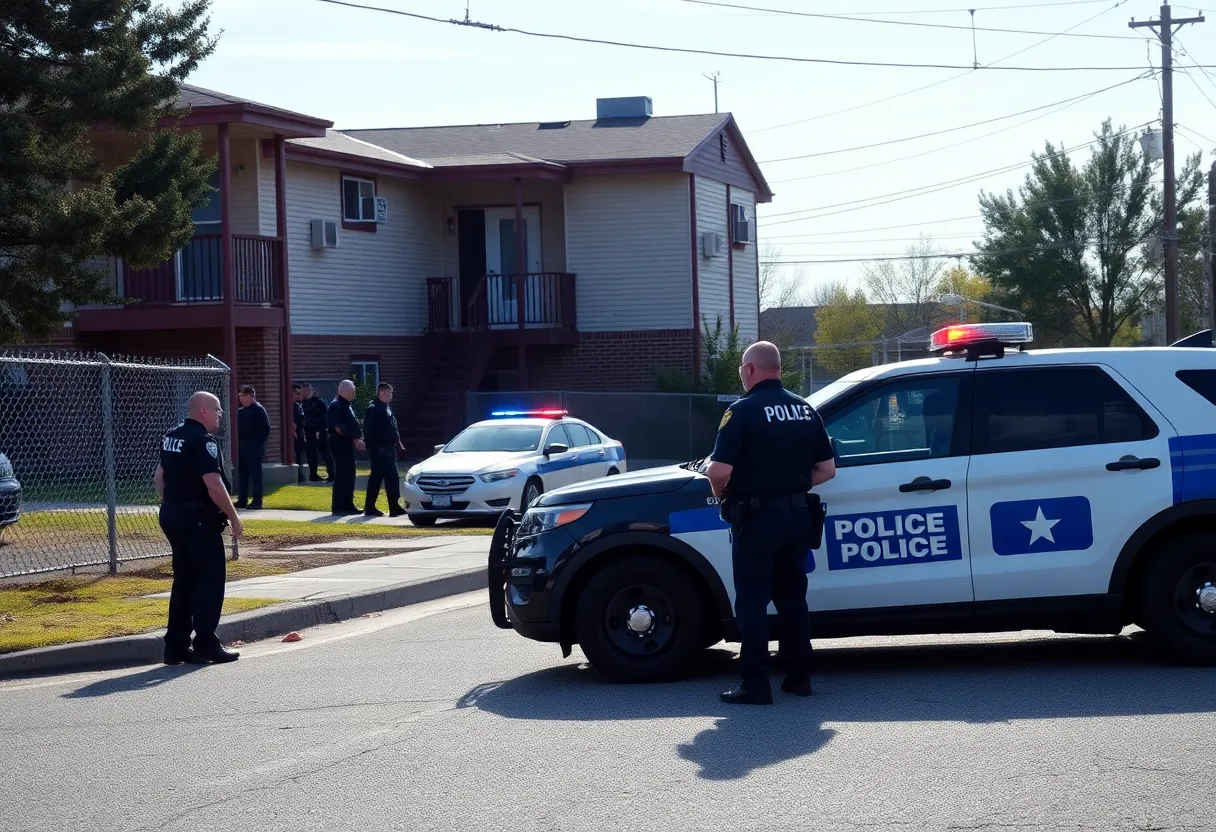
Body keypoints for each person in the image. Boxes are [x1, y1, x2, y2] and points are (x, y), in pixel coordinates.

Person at [705, 341, 837, 705]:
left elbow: (718, 470)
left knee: (752, 601)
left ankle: (755, 684)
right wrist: (790, 485)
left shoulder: (742, 411)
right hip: (798, 516)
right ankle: (798, 678)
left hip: (757, 519)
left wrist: (722, 494)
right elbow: (827, 469)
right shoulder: (805, 409)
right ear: (777, 368)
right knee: (793, 599)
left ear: (749, 369)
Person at [153, 391, 243, 666]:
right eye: (217, 410)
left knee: (184, 580)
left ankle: (176, 647)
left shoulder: (172, 436)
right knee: (209, 580)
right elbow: (213, 485)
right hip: (198, 520)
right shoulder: (203, 441)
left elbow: (159, 477)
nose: (220, 415)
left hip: (172, 514)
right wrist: (234, 517)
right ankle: (205, 644)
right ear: (203, 411)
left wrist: (173, 503)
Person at [362, 382, 406, 517]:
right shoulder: (373, 409)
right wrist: (376, 448)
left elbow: (392, 427)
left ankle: (371, 506)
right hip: (380, 450)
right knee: (391, 477)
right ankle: (393, 507)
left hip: (388, 448)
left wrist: (398, 441)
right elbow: (368, 431)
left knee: (378, 478)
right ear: (383, 393)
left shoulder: (385, 408)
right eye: (390, 393)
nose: (391, 396)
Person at [327, 379, 365, 515]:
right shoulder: (336, 405)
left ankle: (348, 505)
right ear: (343, 390)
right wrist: (355, 439)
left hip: (347, 444)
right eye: (352, 389)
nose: (354, 391)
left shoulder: (346, 404)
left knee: (349, 474)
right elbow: (338, 428)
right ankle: (339, 506)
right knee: (342, 475)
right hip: (339, 444)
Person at [235, 385, 270, 510]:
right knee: (243, 474)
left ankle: (257, 501)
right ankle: (242, 500)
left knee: (255, 474)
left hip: (254, 445)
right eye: (240, 396)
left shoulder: (258, 410)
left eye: (243, 396)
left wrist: (258, 442)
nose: (241, 399)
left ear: (251, 396)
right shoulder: (241, 411)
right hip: (242, 444)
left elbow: (266, 429)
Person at [300, 383, 335, 483]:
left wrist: (324, 428)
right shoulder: (301, 403)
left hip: (320, 430)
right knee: (311, 453)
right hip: (308, 431)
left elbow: (326, 415)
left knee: (325, 452)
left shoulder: (318, 402)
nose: (306, 393)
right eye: (305, 391)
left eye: (308, 391)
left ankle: (332, 474)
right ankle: (313, 475)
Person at [292, 384, 307, 484]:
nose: (299, 396)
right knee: (297, 455)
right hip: (296, 434)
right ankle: (299, 475)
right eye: (297, 393)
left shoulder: (299, 405)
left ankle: (301, 475)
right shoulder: (292, 406)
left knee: (301, 454)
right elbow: (293, 422)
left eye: (301, 394)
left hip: (301, 433)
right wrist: (294, 432)